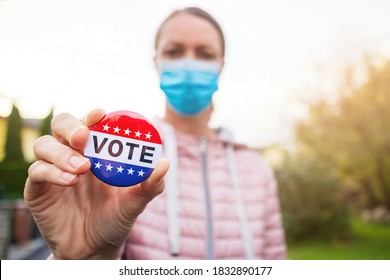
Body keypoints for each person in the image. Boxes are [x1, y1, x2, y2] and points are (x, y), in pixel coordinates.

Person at [24, 7, 287, 260]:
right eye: (174, 51)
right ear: (157, 63)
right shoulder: (118, 158)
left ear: (221, 65)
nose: (189, 63)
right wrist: (83, 259)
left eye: (204, 54)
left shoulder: (257, 170)